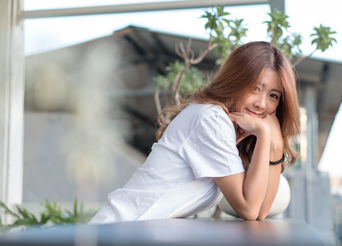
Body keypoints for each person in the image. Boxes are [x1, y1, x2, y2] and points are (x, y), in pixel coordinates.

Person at [89, 41, 300, 223]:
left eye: (273, 95)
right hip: (117, 231)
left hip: (135, 234)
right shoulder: (211, 119)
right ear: (236, 81)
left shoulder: (232, 130)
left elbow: (261, 211)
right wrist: (265, 134)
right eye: (255, 88)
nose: (262, 104)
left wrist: (275, 145)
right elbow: (249, 209)